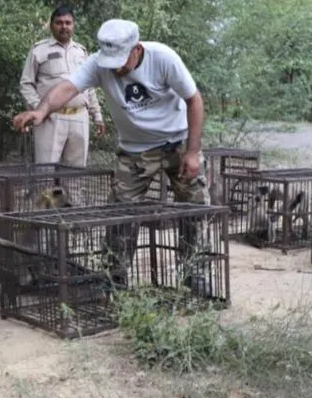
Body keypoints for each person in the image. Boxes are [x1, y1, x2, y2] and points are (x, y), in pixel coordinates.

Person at [11, 18, 209, 287]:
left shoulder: (164, 58)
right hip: (135, 151)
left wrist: (193, 151)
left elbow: (194, 100)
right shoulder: (98, 63)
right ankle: (114, 278)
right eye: (111, 62)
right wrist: (41, 110)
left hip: (177, 142)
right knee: (119, 214)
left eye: (121, 61)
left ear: (137, 49)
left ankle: (194, 273)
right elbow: (68, 88)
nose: (115, 69)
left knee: (194, 208)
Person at [19, 5, 105, 167]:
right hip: (50, 119)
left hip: (80, 117)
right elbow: (26, 84)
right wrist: (39, 110)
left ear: (73, 25)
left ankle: (72, 194)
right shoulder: (39, 50)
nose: (64, 26)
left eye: (68, 22)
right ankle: (45, 193)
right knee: (46, 171)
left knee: (76, 171)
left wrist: (97, 115)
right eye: (59, 22)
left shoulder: (81, 52)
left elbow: (89, 87)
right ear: (51, 25)